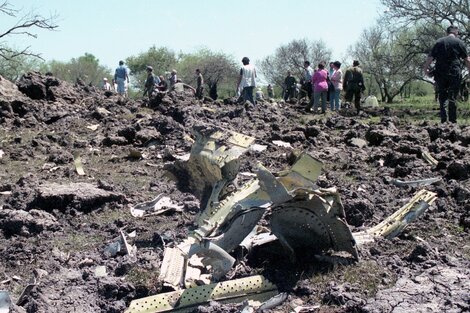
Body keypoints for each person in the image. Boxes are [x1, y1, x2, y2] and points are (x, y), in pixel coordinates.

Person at [423, 25, 470, 123]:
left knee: (442, 96)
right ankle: (453, 122)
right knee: (453, 96)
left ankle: (444, 121)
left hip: (440, 72)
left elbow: (430, 57)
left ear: (447, 32)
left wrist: (425, 69)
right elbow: (467, 59)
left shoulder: (439, 42)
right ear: (456, 32)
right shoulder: (459, 42)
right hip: (454, 72)